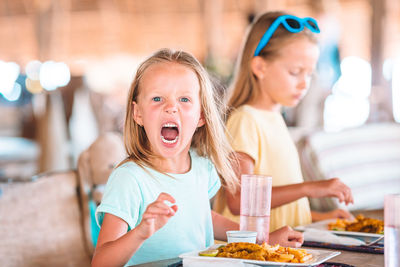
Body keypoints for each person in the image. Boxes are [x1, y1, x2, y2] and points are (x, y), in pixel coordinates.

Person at [91, 49, 304, 267]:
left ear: (201, 115)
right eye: (157, 98)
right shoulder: (130, 179)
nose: (171, 107)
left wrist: (262, 239)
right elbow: (101, 263)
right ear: (138, 114)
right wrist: (141, 232)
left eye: (184, 99)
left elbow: (203, 218)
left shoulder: (203, 167)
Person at [214, 11, 354, 232]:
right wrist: (309, 188)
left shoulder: (275, 119)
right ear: (260, 67)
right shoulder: (245, 120)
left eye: (309, 74)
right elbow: (240, 201)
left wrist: (321, 217)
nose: (304, 84)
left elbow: (279, 209)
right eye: (295, 72)